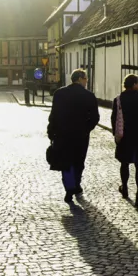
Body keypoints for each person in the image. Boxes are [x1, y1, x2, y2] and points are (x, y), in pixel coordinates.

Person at [47, 69, 100, 204]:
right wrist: (87, 129)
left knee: (65, 162)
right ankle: (76, 184)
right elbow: (95, 118)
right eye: (86, 79)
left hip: (62, 134)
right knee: (78, 161)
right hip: (80, 135)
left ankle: (69, 188)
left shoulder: (59, 94)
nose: (87, 81)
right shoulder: (89, 95)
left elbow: (53, 115)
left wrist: (51, 131)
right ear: (80, 79)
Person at [111, 74, 138, 208]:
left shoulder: (118, 99)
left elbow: (114, 119)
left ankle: (124, 188)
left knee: (124, 163)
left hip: (124, 136)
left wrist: (117, 134)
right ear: (134, 84)